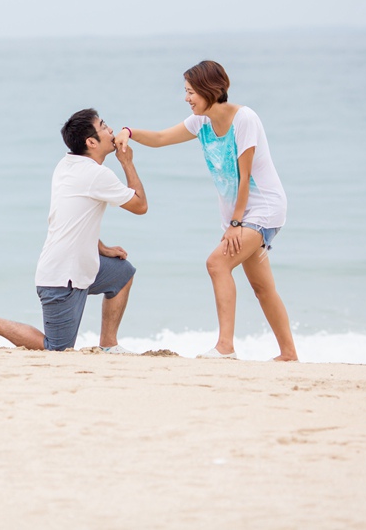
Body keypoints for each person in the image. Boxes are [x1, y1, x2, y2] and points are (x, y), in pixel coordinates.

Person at [116, 60, 298, 362]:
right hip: (240, 216)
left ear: (209, 89)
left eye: (190, 92)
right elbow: (161, 139)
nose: (186, 98)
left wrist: (237, 223)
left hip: (262, 209)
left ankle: (225, 347)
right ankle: (289, 354)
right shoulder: (201, 123)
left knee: (217, 264)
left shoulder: (244, 119)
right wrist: (128, 132)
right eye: (185, 92)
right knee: (262, 288)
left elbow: (244, 176)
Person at [0, 108, 147, 352]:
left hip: (83, 267)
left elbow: (72, 220)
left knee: (122, 273)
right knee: (57, 349)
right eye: (104, 126)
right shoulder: (96, 174)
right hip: (61, 278)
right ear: (91, 142)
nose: (111, 130)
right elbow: (140, 205)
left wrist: (102, 248)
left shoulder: (67, 164)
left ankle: (108, 345)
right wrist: (127, 162)